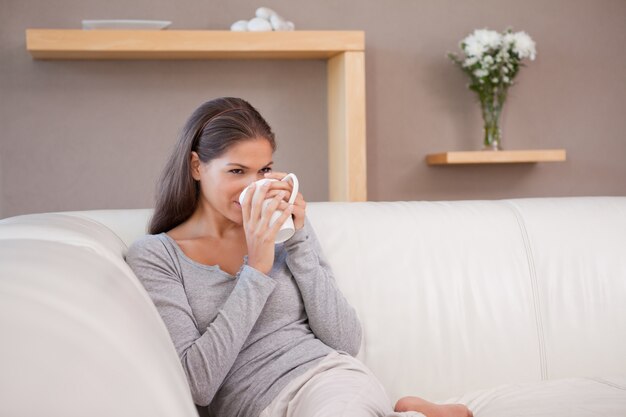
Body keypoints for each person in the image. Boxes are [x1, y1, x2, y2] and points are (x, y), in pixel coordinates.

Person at [125, 97, 473, 417]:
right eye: (236, 171)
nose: (253, 186)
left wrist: (299, 238)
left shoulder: (285, 232)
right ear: (197, 166)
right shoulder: (157, 256)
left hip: (325, 381)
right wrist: (257, 270)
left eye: (263, 171)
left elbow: (344, 341)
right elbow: (199, 384)